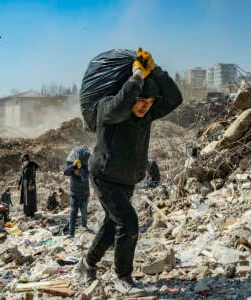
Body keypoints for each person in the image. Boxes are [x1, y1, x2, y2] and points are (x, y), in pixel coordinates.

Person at [78, 48, 182, 296]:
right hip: (104, 176)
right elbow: (120, 105)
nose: (146, 107)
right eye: (141, 101)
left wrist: (155, 70)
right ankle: (122, 277)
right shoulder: (109, 110)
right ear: (129, 95)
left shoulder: (146, 115)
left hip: (127, 178)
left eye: (149, 103)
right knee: (129, 222)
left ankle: (87, 264)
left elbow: (174, 98)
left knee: (113, 225)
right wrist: (136, 77)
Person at [63, 157, 90, 237]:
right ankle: (71, 233)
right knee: (73, 214)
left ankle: (84, 227)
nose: (76, 172)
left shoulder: (85, 169)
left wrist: (80, 170)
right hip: (74, 195)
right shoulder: (72, 169)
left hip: (84, 195)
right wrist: (73, 166)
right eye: (76, 171)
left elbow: (85, 178)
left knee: (83, 213)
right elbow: (65, 172)